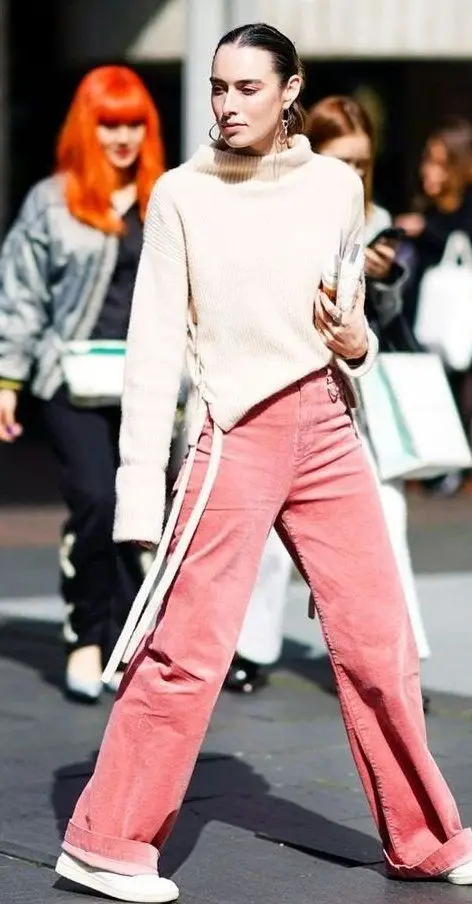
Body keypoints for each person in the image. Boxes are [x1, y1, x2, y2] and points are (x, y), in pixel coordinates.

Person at [55, 25, 472, 903]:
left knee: (381, 642)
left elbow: (349, 318)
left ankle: (426, 840)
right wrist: (140, 492)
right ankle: (104, 843)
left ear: (290, 90)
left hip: (330, 429)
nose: (228, 105)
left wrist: (358, 341)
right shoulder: (181, 196)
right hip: (236, 431)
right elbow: (153, 349)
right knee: (187, 652)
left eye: (248, 88)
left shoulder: (335, 186)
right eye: (218, 88)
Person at [226, 95, 431, 711]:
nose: (355, 174)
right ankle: (252, 648)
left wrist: (385, 279)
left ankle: (399, 661)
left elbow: (385, 322)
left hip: (355, 401)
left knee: (388, 518)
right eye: (344, 160)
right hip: (284, 391)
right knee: (270, 535)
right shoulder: (282, 208)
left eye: (364, 162)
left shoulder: (377, 216)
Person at [0, 66, 165, 702]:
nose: (122, 137)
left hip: (149, 381)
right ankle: (87, 633)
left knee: (140, 511)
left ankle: (126, 636)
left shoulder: (166, 196)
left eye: (133, 124)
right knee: (95, 497)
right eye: (108, 124)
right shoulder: (52, 200)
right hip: (70, 379)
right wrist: (8, 378)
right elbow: (20, 293)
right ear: (85, 128)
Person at [396, 116, 472, 493]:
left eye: (439, 161)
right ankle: (456, 460)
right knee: (451, 381)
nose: (428, 169)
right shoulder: (434, 200)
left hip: (465, 309)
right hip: (435, 311)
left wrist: (425, 230)